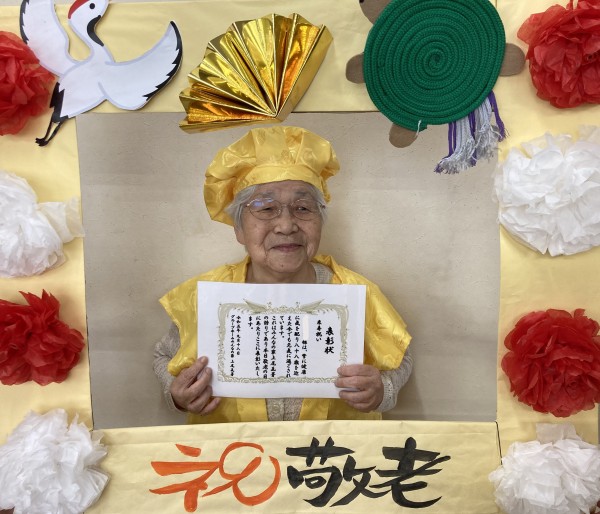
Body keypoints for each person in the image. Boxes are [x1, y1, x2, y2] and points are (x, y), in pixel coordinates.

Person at [154, 125, 413, 423]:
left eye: (303, 208)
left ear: (320, 220)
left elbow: (400, 357)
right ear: (238, 228)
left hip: (327, 451)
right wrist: (176, 394)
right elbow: (163, 355)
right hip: (234, 450)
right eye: (266, 208)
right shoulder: (206, 296)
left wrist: (383, 390)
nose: (287, 225)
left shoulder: (354, 291)